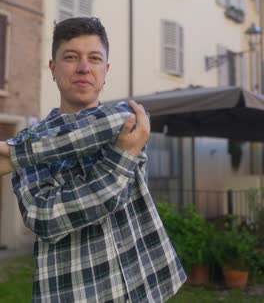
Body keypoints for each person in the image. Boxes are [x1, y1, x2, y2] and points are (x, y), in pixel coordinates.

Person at [0, 17, 186, 302]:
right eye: (71, 57)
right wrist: (122, 158)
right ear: (52, 68)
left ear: (106, 70)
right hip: (75, 293)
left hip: (144, 288)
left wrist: (16, 154)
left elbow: (106, 123)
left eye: (95, 58)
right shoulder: (33, 136)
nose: (84, 68)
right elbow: (44, 218)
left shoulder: (126, 119)